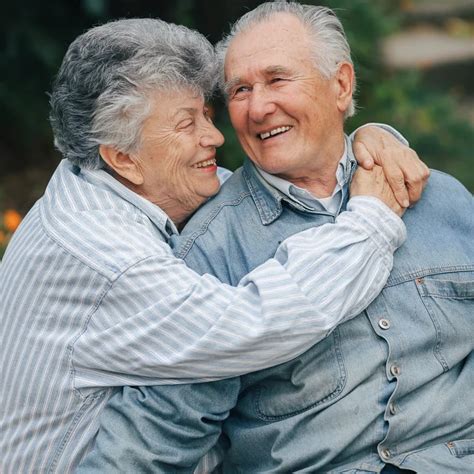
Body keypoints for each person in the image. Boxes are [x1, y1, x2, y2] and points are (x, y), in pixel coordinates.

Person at [0, 16, 428, 473]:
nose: (216, 136)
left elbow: (286, 182)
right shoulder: (102, 253)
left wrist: (365, 140)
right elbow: (258, 324)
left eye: (207, 113)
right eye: (187, 124)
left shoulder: (110, 182)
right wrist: (374, 219)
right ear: (124, 157)